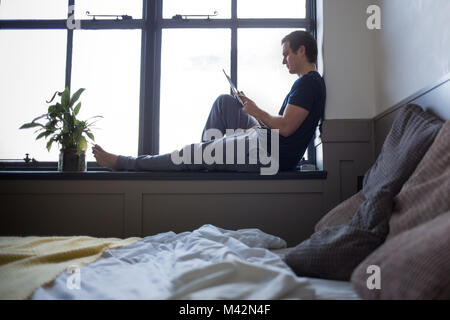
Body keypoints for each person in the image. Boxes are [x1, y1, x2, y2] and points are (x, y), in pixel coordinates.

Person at [93, 30, 326, 174]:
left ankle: (124, 163)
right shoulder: (308, 83)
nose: (283, 60)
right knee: (225, 102)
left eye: (286, 54)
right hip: (264, 142)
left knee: (188, 153)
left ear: (302, 50)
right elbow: (285, 129)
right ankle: (206, 158)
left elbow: (286, 127)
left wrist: (256, 110)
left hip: (267, 152)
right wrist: (258, 120)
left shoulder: (308, 83)